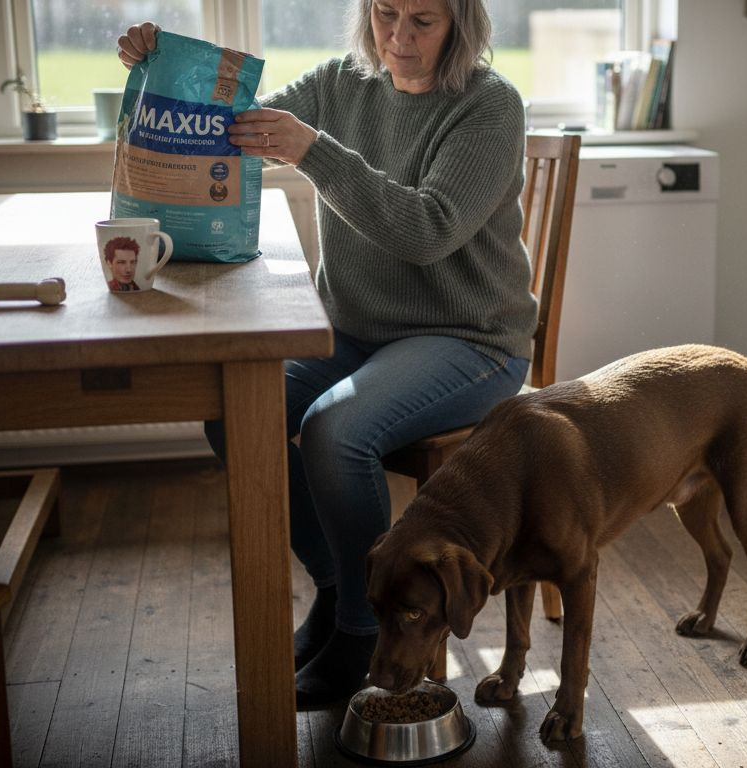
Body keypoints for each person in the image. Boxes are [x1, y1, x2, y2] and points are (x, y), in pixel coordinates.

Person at [118, 0, 535, 708]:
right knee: (232, 411)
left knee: (335, 431)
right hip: (354, 332)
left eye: (423, 21)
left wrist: (312, 150)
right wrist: (164, 66)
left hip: (470, 339)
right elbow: (230, 127)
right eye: (385, 13)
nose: (398, 36)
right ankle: (344, 586)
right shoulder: (342, 81)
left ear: (461, 23)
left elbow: (427, 230)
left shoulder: (490, 106)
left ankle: (358, 633)